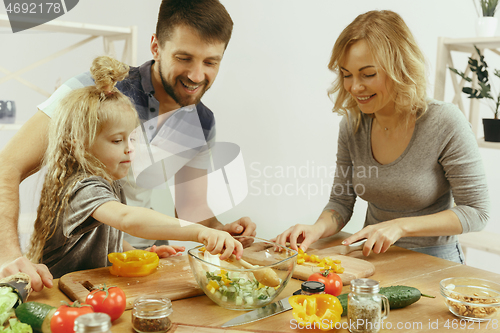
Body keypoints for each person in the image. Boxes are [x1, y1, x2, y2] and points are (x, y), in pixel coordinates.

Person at [0, 0, 255, 290]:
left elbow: (193, 212)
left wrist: (222, 232)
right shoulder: (97, 94)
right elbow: (6, 167)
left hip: (136, 270)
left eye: (211, 62)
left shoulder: (201, 121)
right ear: (156, 47)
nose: (197, 76)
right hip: (79, 282)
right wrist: (8, 256)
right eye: (184, 58)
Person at [274, 10, 490, 263]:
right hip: (373, 259)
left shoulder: (445, 122)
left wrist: (400, 226)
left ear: (400, 68)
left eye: (368, 74)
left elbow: (477, 213)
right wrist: (317, 229)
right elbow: (341, 202)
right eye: (346, 75)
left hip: (435, 261)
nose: (355, 87)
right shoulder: (353, 126)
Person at [27, 55, 243, 279]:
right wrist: (199, 232)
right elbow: (127, 219)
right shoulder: (83, 187)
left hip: (88, 289)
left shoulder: (108, 182)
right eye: (117, 141)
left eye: (132, 139)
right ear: (79, 142)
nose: (130, 149)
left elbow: (106, 238)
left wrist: (137, 254)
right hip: (60, 292)